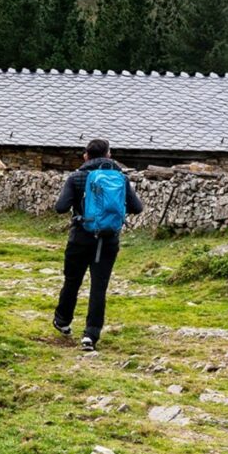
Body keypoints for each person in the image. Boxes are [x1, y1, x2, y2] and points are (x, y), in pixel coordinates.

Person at [50, 138, 141, 350]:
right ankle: (91, 335)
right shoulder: (121, 178)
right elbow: (137, 208)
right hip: (108, 240)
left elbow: (60, 207)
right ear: (109, 155)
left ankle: (63, 321)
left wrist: (82, 206)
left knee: (72, 280)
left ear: (86, 155)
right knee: (99, 287)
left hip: (80, 238)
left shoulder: (77, 177)